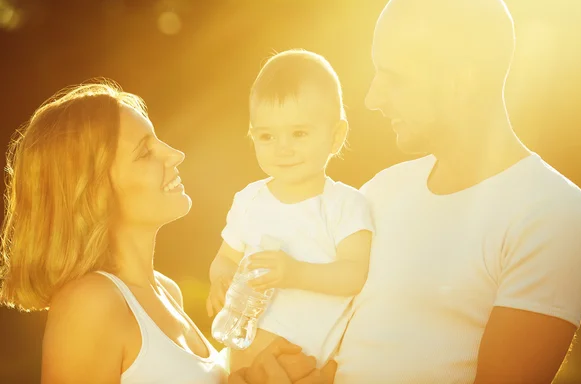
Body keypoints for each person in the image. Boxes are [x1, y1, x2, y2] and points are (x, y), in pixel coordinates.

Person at [333, 0, 581, 383]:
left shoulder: (553, 215)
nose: (373, 99)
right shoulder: (377, 193)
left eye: (394, 78)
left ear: (463, 79)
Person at [0, 81, 333, 384]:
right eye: (145, 153)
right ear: (94, 192)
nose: (175, 155)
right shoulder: (90, 304)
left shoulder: (168, 293)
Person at [207, 49, 373, 371]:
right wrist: (222, 280)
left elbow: (355, 274)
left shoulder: (345, 205)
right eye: (267, 136)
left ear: (336, 136)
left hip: (302, 366)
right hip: (240, 361)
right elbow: (225, 258)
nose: (282, 148)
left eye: (299, 133)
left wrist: (296, 273)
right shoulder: (249, 200)